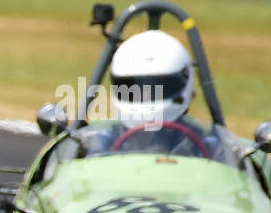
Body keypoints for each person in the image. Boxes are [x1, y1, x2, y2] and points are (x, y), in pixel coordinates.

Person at [84, 29, 216, 158]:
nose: (145, 96)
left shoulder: (209, 146)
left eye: (156, 88)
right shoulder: (99, 144)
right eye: (133, 88)